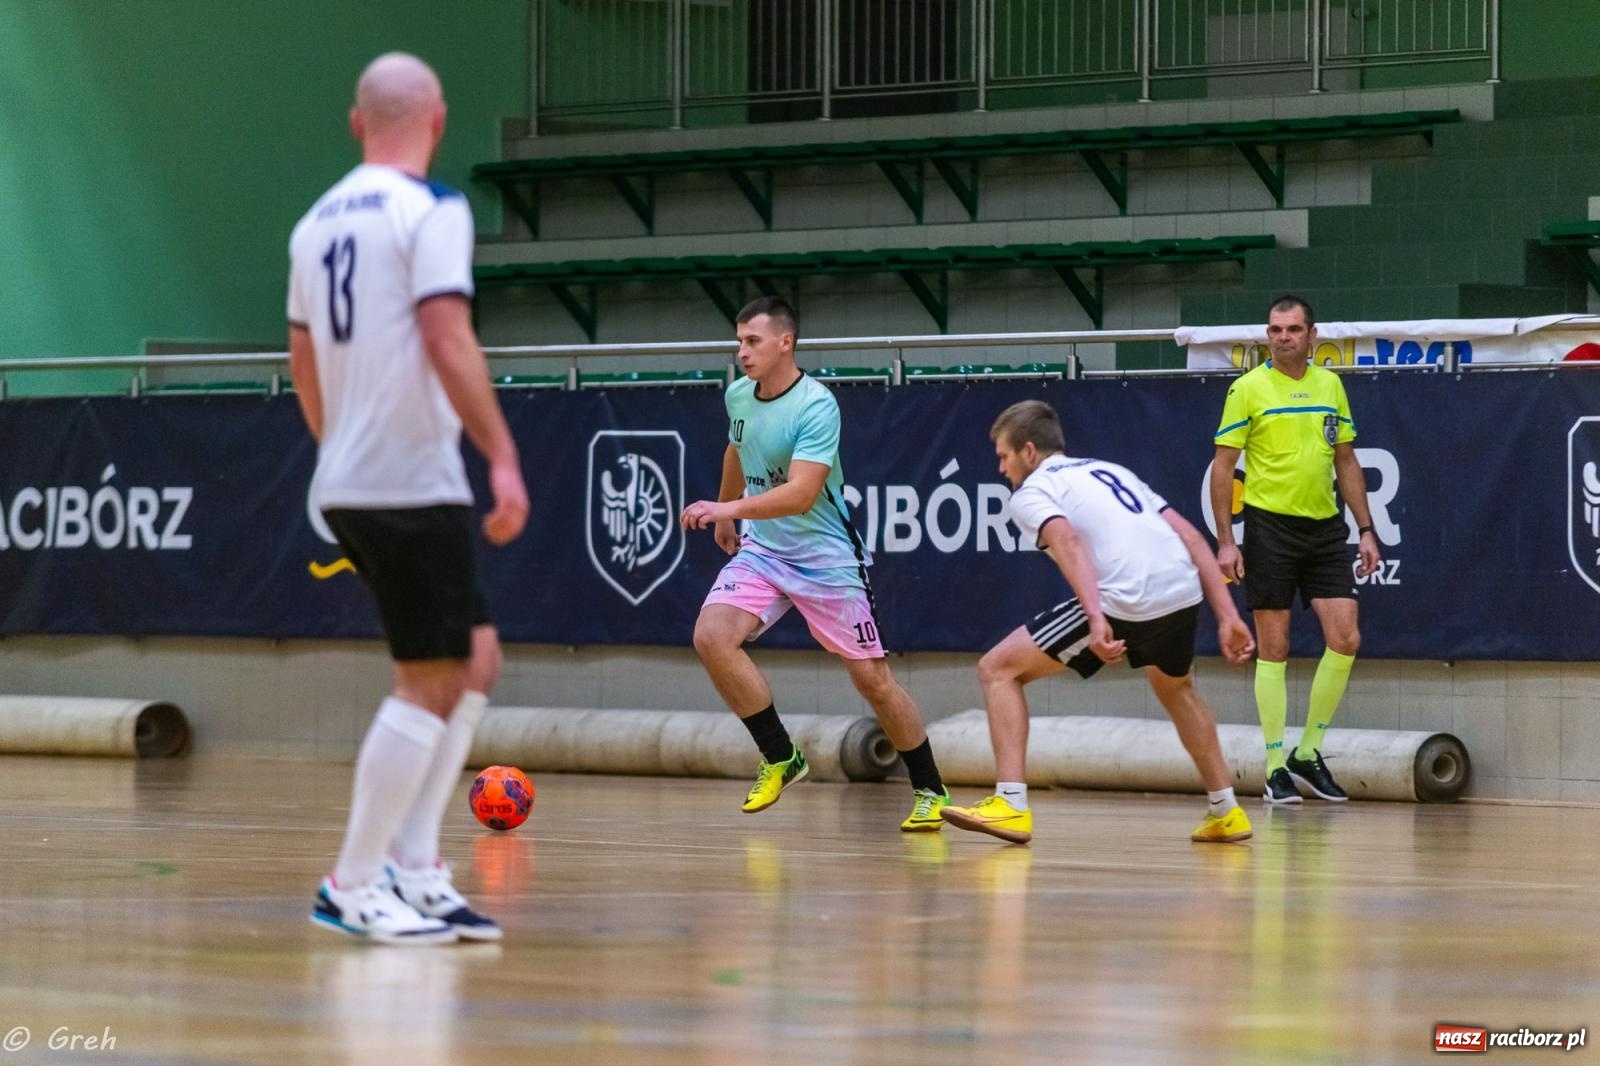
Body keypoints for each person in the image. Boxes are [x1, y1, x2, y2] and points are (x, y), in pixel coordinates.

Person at [287, 53, 529, 944]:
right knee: (428, 677)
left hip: (355, 471)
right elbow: (445, 330)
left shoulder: (313, 224)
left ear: (358, 122)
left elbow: (303, 361)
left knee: (476, 658)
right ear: (439, 119)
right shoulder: (432, 210)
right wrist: (501, 455)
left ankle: (417, 868)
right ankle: (350, 883)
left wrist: (334, 451)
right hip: (405, 477)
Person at [680, 296, 950, 831]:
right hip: (763, 550)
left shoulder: (817, 406)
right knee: (711, 637)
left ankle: (930, 789)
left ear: (786, 342)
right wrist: (730, 517)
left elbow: (802, 494)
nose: (742, 352)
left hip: (825, 558)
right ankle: (781, 756)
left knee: (872, 680)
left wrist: (725, 508)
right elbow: (737, 449)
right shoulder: (738, 395)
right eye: (738, 341)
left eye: (752, 341)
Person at [941, 400, 1257, 845]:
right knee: (1174, 687)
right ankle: (1227, 811)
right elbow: (1189, 536)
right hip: (1181, 590)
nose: (1001, 467)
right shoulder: (1113, 471)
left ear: (1029, 452)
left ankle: (1010, 805)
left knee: (997, 669)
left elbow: (1067, 541)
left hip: (1123, 599)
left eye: (1004, 455)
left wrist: (1095, 617)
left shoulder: (1031, 493)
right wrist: (1227, 616)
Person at [1210, 295, 1380, 805]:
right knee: (1275, 648)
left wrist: (1365, 528)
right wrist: (1226, 540)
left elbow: (1346, 460)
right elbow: (1223, 467)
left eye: (1292, 329)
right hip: (1269, 529)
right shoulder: (1247, 389)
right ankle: (1274, 765)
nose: (1283, 337)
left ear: (1312, 334)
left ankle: (1310, 751)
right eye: (1274, 330)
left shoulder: (1330, 385)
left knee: (1346, 637)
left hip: (1326, 529)